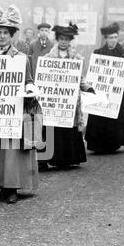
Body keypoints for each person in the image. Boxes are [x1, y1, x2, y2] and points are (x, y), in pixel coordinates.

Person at [0, 4, 39, 204]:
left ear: (11, 35)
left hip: (14, 109)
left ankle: (12, 187)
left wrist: (30, 89)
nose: (2, 36)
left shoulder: (21, 58)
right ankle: (0, 186)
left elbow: (28, 80)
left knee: (12, 150)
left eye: (5, 32)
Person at [38, 22, 89, 171]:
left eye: (67, 39)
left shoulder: (77, 58)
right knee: (52, 128)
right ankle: (48, 158)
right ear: (57, 39)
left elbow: (81, 79)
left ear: (70, 41)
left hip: (70, 100)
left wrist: (88, 87)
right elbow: (42, 78)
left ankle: (67, 158)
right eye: (61, 39)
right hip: (53, 100)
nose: (64, 42)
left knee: (68, 128)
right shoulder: (48, 57)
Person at [84, 22, 124, 153]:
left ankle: (113, 143)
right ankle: (97, 144)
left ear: (117, 38)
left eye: (114, 37)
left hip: (117, 93)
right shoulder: (98, 53)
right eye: (110, 38)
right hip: (101, 91)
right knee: (99, 116)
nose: (112, 40)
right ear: (105, 39)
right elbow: (93, 72)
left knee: (114, 117)